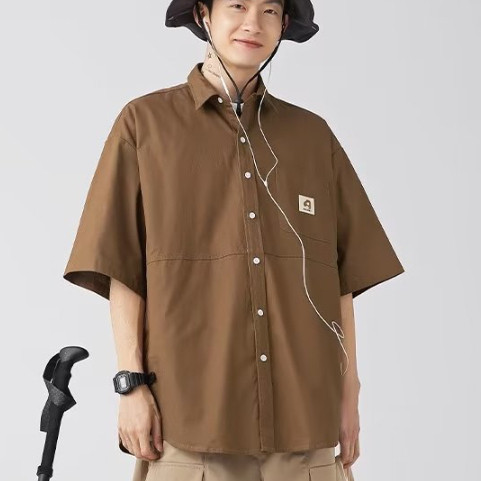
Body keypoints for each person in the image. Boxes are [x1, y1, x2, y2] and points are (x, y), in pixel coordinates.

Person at [63, 0, 405, 480]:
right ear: (203, 14)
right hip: (189, 424)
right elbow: (122, 268)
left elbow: (340, 282)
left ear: (284, 24)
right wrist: (130, 386)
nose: (252, 23)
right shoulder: (144, 124)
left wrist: (349, 395)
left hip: (306, 425)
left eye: (269, 11)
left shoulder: (313, 137)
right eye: (238, 5)